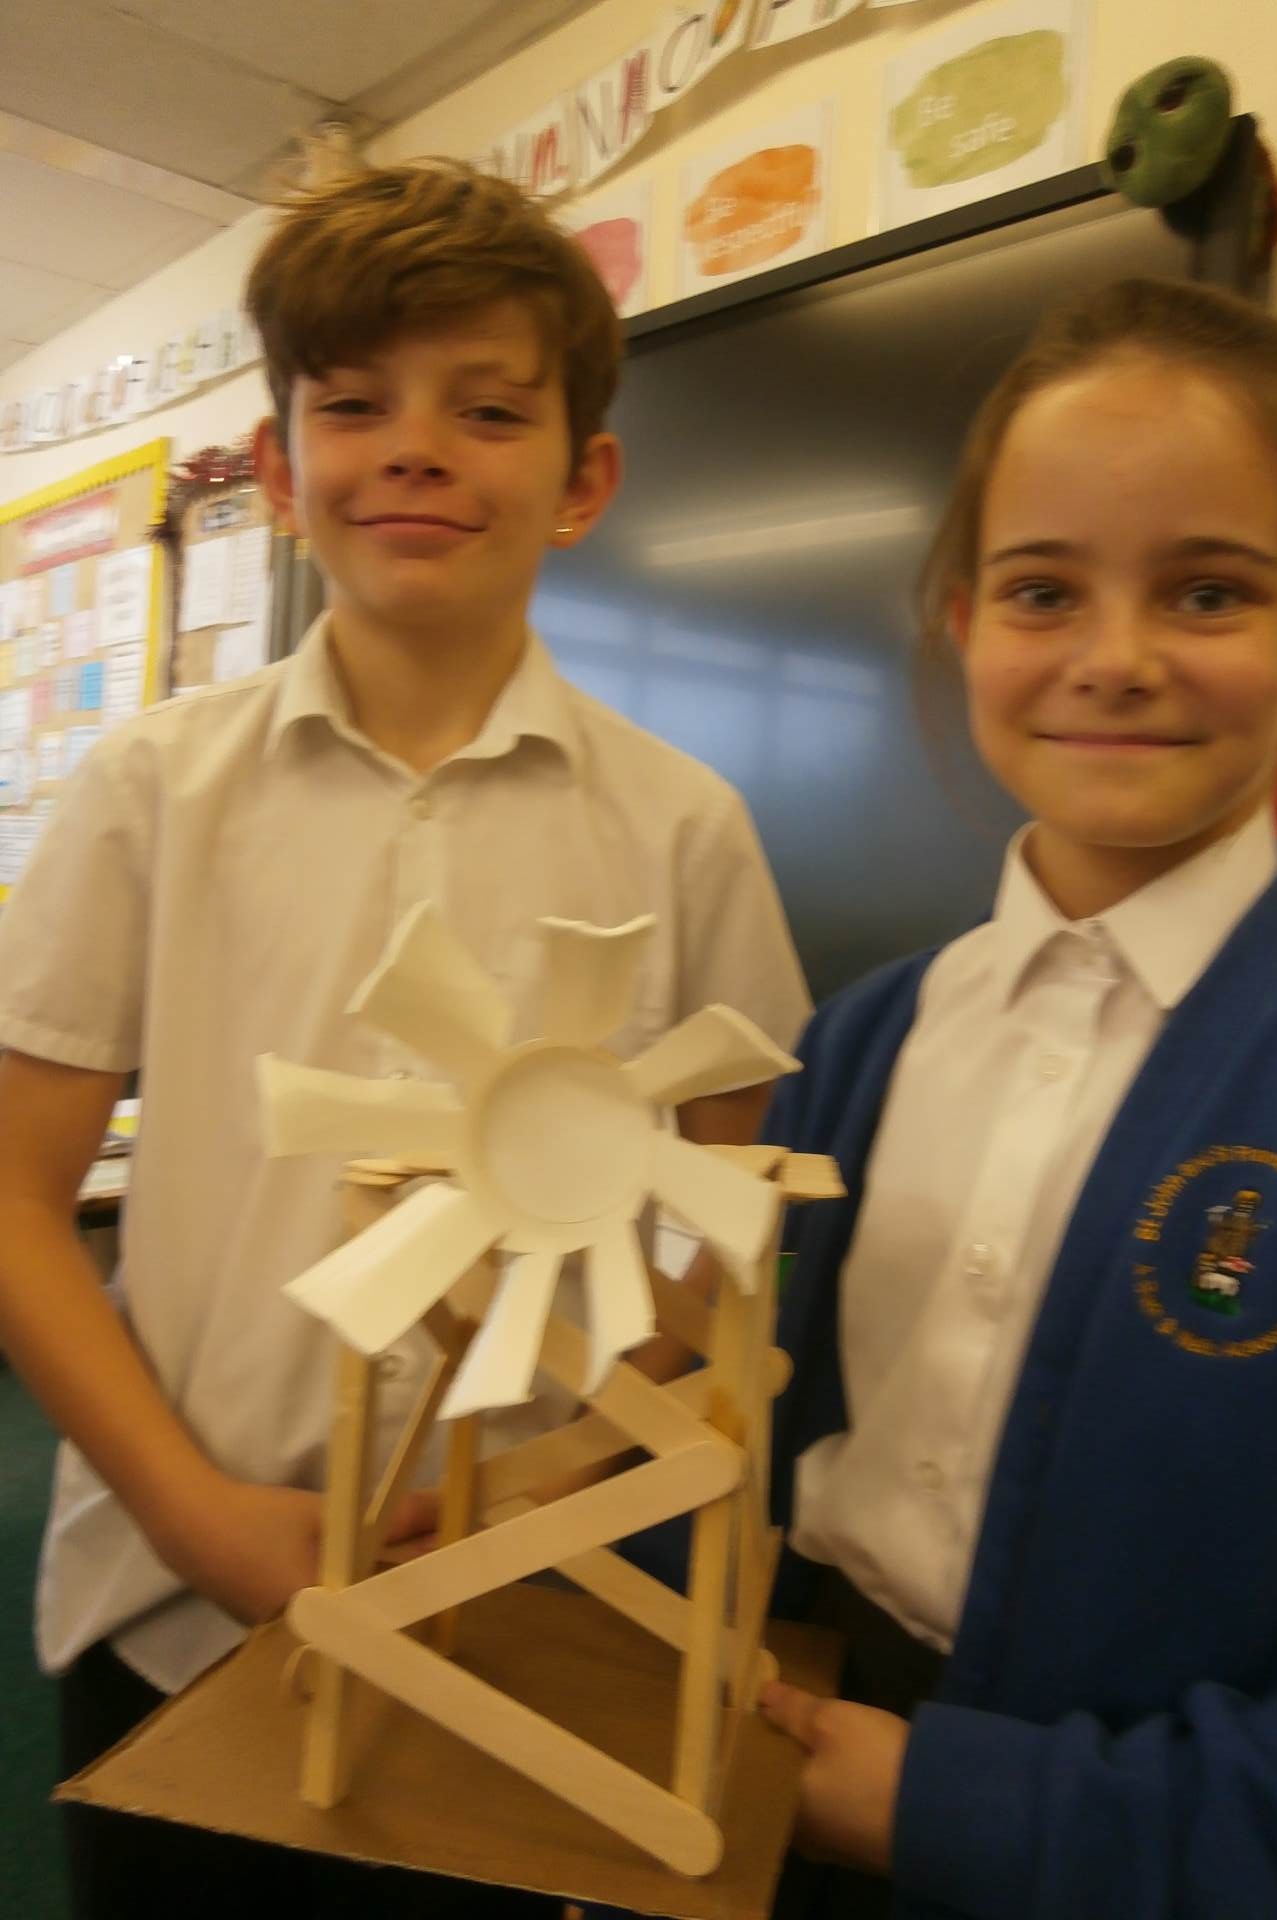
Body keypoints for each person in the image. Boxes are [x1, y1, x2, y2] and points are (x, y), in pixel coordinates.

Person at [0, 156, 809, 1918]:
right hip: (173, 1595)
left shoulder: (684, 832)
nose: (418, 450)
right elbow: (13, 1194)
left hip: (520, 1614)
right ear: (283, 472)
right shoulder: (152, 791)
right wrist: (189, 1510)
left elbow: (724, 1222)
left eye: (489, 409)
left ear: (583, 480)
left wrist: (555, 1482)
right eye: (356, 405)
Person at [757, 277, 1277, 1918]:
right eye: (1043, 591)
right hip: (792, 1772)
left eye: (1208, 592)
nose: (1115, 661)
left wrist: (965, 1811)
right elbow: (754, 1429)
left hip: (1158, 1862)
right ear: (963, 623)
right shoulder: (855, 1045)